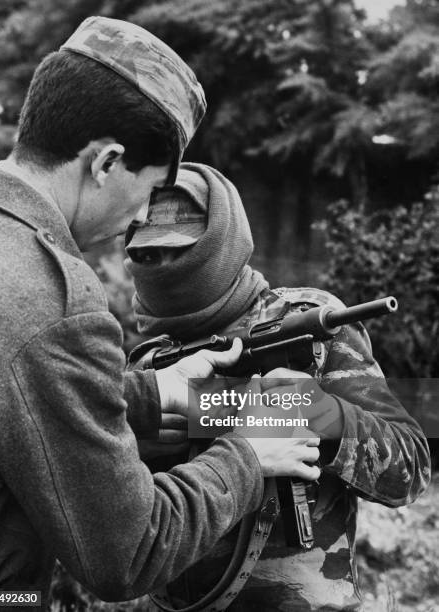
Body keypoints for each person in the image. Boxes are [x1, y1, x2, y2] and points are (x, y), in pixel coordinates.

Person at [0, 17, 322, 610]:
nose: (139, 223)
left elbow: (6, 390)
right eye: (151, 192)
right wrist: (249, 452)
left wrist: (157, 393)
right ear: (106, 162)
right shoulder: (55, 301)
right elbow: (128, 553)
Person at [125, 162, 431, 612]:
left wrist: (322, 415)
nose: (166, 267)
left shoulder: (308, 327)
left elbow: (411, 468)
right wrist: (139, 449)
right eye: (147, 256)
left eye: (183, 248)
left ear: (222, 243)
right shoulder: (150, 360)